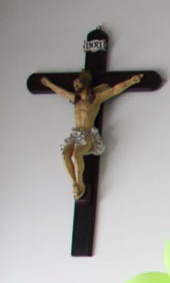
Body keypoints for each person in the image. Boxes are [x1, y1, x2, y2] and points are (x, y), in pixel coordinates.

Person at [37, 70, 144, 199]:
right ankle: (75, 183)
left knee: (77, 155)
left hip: (87, 133)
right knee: (65, 154)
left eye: (78, 85)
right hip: (76, 133)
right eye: (75, 85)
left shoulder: (95, 99)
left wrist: (131, 81)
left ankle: (80, 182)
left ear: (85, 85)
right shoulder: (75, 100)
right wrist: (48, 84)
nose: (75, 87)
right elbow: (61, 92)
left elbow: (114, 90)